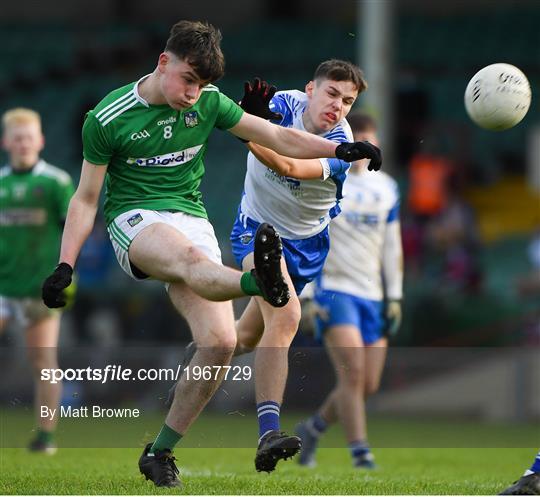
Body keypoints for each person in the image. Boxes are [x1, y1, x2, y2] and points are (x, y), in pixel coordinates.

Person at [40, 21, 381, 488]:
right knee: (190, 263)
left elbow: (277, 138)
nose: (193, 93)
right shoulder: (107, 117)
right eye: (187, 80)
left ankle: (159, 452)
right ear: (164, 62)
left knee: (220, 343)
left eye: (202, 85)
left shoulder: (208, 101)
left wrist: (342, 145)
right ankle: (256, 282)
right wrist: (66, 264)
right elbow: (84, 198)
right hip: (135, 220)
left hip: (191, 216)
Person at [295, 113, 403, 469]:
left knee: (367, 384)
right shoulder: (328, 177)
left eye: (370, 143)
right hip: (335, 290)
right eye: (359, 143)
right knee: (352, 375)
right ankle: (361, 454)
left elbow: (392, 246)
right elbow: (309, 234)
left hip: (372, 294)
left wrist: (395, 296)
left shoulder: (386, 188)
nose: (364, 150)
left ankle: (313, 428)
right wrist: (308, 297)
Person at [0, 107, 75, 454]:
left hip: (37, 289)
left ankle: (45, 437)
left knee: (42, 362)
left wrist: (63, 276)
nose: (23, 143)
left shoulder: (55, 182)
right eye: (17, 138)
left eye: (28, 137)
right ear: (6, 143)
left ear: (40, 140)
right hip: (3, 286)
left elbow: (71, 230)